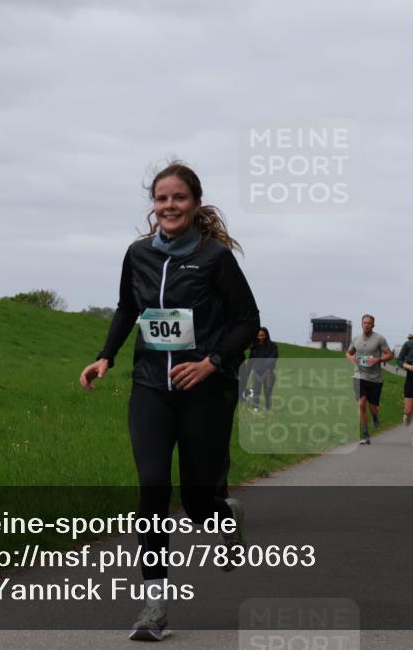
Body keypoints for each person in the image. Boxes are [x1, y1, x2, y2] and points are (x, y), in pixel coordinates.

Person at [79, 162, 259, 641]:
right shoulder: (138, 255)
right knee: (153, 486)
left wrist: (212, 363)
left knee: (198, 503)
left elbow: (247, 320)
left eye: (178, 198)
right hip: (151, 388)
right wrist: (104, 357)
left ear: (195, 204)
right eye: (162, 199)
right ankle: (154, 604)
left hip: (205, 391)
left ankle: (224, 513)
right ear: (153, 206)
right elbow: (127, 308)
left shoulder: (215, 258)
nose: (169, 206)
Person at [346, 314, 392, 445]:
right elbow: (348, 353)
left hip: (375, 378)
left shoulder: (379, 339)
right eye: (364, 323)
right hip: (359, 376)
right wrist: (352, 359)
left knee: (372, 407)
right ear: (361, 324)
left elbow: (389, 355)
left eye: (369, 323)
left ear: (373, 325)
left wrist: (378, 359)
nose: (366, 325)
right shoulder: (356, 339)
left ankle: (375, 417)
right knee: (361, 403)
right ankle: (365, 433)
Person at [247, 327, 278, 412]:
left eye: (262, 335)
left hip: (268, 373)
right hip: (257, 373)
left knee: (267, 392)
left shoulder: (273, 346)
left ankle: (268, 409)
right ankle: (255, 408)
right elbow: (250, 361)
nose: (260, 337)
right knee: (256, 391)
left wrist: (264, 363)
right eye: (259, 335)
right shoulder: (254, 347)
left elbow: (274, 358)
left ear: (266, 335)